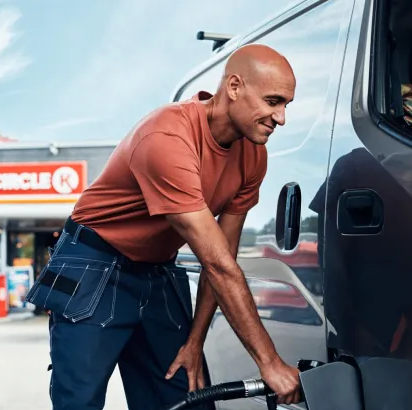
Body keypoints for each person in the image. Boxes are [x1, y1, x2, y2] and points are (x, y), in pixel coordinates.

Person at [25, 43, 301, 410]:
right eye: (273, 101)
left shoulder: (253, 155)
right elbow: (220, 266)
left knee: (185, 394)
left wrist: (195, 341)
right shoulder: (166, 137)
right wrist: (270, 363)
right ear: (234, 87)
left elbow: (222, 259)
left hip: (158, 270)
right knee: (79, 401)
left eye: (286, 105)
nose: (280, 117)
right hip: (94, 261)